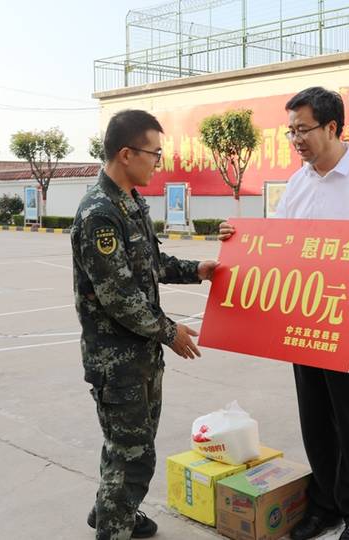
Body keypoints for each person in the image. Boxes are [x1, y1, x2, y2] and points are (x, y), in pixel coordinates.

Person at [219, 87, 349, 540]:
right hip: (303, 314)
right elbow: (276, 242)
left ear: (333, 127)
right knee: (315, 415)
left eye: (303, 129)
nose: (296, 139)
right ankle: (326, 503)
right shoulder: (298, 182)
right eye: (291, 131)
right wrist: (237, 238)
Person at [71, 109, 218, 540]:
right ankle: (114, 526)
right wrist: (171, 332)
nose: (159, 162)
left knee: (127, 445)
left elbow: (151, 265)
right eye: (154, 153)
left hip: (139, 355)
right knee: (133, 456)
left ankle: (112, 511)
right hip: (117, 360)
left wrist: (198, 270)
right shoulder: (100, 213)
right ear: (125, 153)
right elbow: (119, 297)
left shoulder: (130, 201)